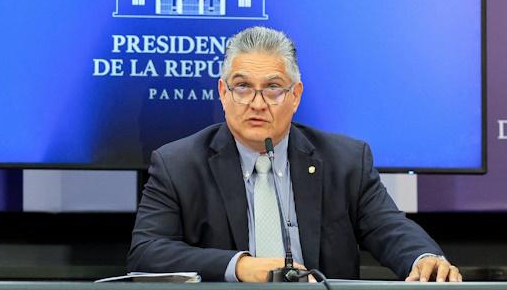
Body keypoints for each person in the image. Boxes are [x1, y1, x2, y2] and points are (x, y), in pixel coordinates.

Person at [127, 26, 462, 283]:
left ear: (295, 95)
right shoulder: (178, 164)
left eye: (273, 88)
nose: (257, 103)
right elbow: (146, 253)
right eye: (242, 87)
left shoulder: (346, 161)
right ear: (223, 93)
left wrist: (424, 258)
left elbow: (388, 227)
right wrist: (241, 266)